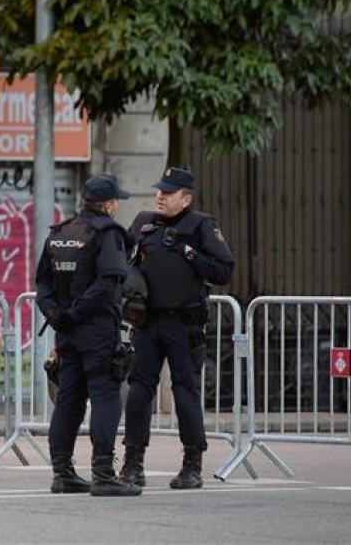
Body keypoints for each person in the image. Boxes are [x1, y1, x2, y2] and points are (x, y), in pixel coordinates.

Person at [120, 167, 234, 490]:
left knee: (185, 392)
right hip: (147, 322)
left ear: (186, 199)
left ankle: (192, 465)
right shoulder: (144, 222)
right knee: (139, 392)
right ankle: (132, 464)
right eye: (159, 191)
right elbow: (120, 256)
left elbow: (224, 269)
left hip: (184, 324)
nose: (160, 196)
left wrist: (190, 253)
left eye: (168, 193)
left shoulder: (202, 226)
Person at [36, 174, 142, 497]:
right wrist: (75, 313)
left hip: (66, 333)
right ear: (108, 204)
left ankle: (62, 472)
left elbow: (42, 284)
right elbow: (109, 282)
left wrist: (56, 315)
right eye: (116, 202)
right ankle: (103, 473)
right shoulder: (108, 234)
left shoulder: (60, 233)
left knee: (69, 399)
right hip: (95, 330)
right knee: (106, 396)